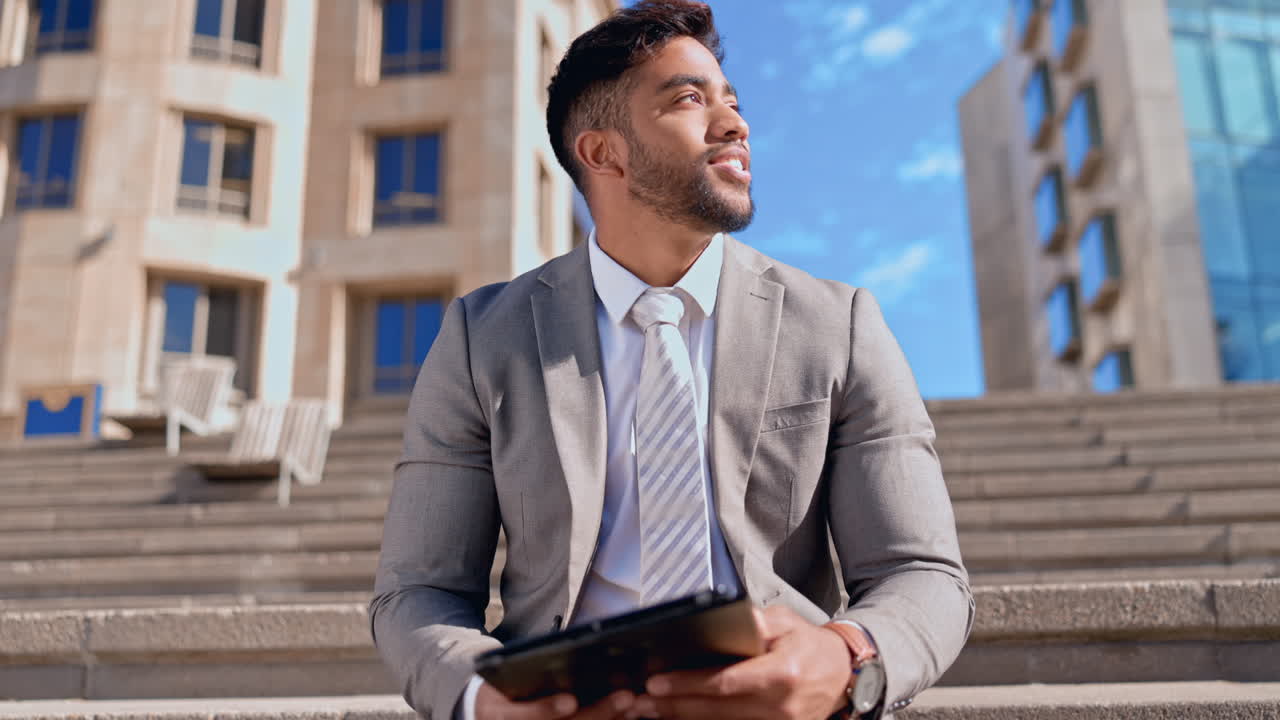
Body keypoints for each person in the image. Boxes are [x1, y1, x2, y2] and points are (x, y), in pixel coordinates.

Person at [369, 2, 972, 718]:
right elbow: (419, 590)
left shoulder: (839, 325)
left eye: (733, 101)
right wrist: (485, 699)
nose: (734, 123)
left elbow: (922, 573)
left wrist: (846, 659)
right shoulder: (481, 336)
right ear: (602, 153)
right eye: (690, 98)